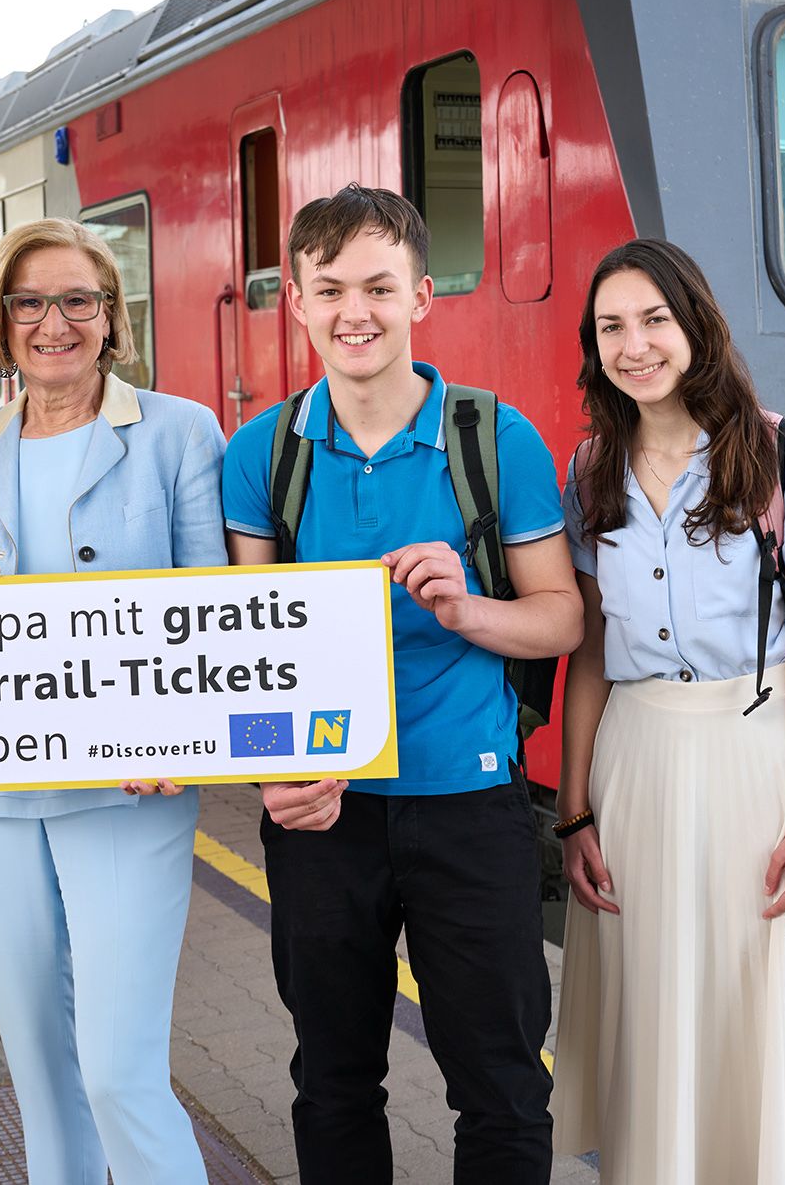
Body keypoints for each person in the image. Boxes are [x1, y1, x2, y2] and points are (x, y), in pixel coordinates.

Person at [223, 184, 582, 1185]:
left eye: (379, 287)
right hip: (320, 818)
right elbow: (248, 646)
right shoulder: (262, 455)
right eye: (329, 287)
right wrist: (270, 774)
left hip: (468, 801)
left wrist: (468, 608)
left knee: (502, 1084)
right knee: (332, 1080)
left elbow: (560, 614)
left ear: (423, 295)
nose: (355, 312)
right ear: (292, 299)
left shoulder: (491, 440)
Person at [549, 238, 785, 1185]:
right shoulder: (589, 470)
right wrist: (573, 811)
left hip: (755, 762)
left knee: (758, 1000)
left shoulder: (781, 451)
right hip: (638, 766)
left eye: (654, 320)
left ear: (695, 325)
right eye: (611, 327)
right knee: (654, 1005)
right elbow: (587, 658)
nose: (635, 345)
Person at [0, 217, 224, 1185]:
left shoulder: (177, 430)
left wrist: (184, 741)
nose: (54, 322)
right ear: (0, 320)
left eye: (77, 300)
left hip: (131, 789)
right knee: (40, 1073)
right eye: (29, 302)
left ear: (109, 315)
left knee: (115, 1067)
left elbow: (211, 600)